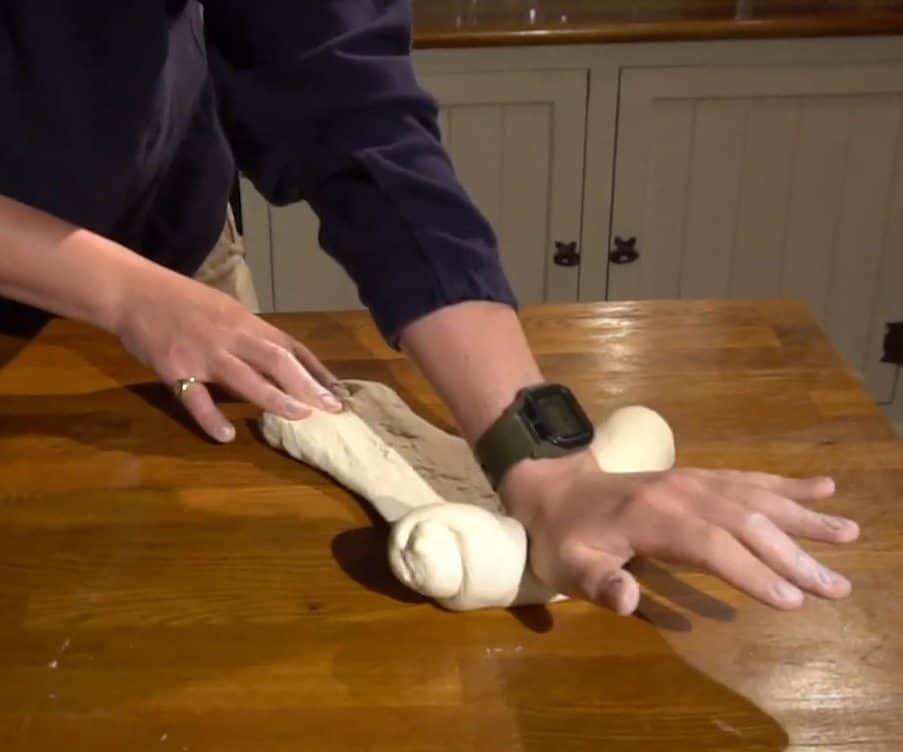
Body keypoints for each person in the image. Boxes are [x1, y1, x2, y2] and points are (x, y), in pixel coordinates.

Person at [0, 0, 858, 615]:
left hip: (170, 254)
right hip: (140, 293)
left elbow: (347, 107)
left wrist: (549, 463)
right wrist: (122, 291)